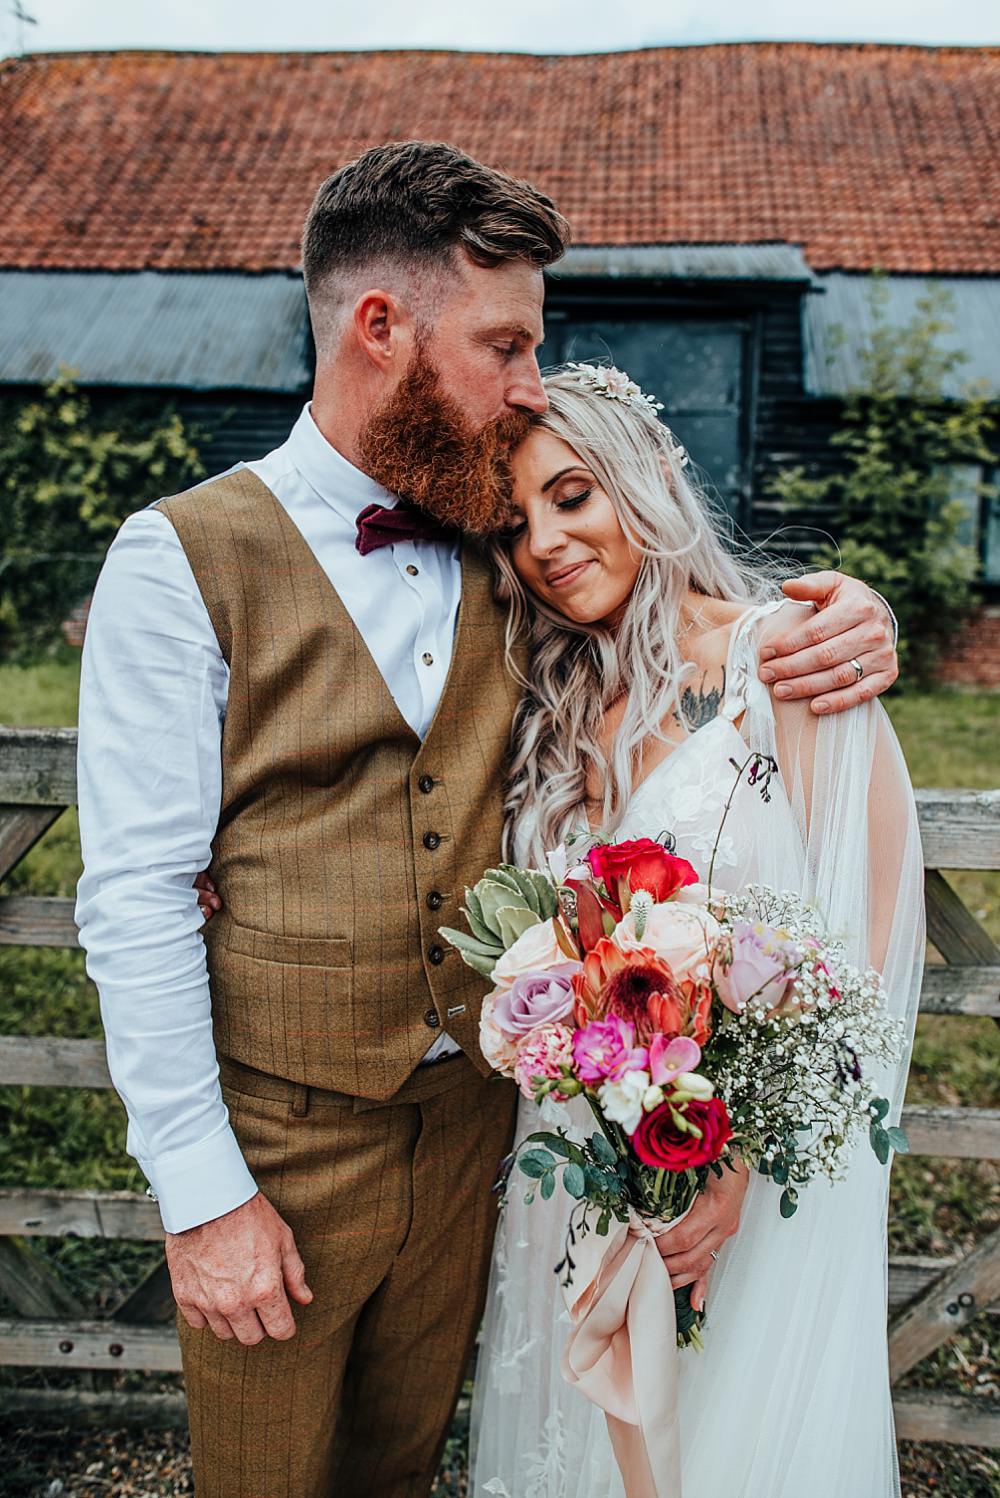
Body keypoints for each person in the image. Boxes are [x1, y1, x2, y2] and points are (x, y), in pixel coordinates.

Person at [74, 141, 900, 1498]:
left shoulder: (493, 544)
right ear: (381, 328)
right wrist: (203, 1192)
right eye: (505, 344)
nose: (528, 384)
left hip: (486, 1143)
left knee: (408, 1471)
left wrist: (853, 610)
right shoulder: (184, 557)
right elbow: (139, 893)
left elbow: (663, 633)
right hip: (280, 1152)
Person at [469, 366, 923, 1498]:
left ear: (653, 475)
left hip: (741, 1187)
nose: (546, 541)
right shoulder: (540, 698)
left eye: (572, 495)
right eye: (518, 523)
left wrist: (731, 1171)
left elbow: (863, 967)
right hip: (571, 1173)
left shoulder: (792, 665)